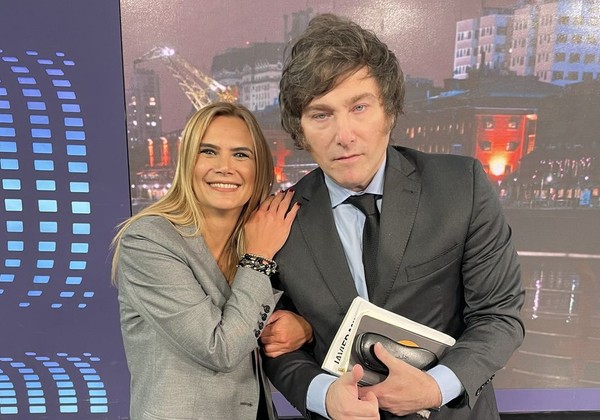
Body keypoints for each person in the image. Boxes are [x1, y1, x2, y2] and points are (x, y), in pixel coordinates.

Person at [263, 13, 525, 420]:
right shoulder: (278, 218)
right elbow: (276, 343)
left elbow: (499, 315)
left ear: (389, 110)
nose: (344, 135)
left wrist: (436, 387)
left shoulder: (462, 186)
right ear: (300, 130)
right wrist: (323, 395)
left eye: (359, 107)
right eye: (321, 114)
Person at [110, 102, 311, 420]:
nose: (225, 167)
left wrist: (305, 328)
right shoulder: (148, 241)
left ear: (259, 167)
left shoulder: (262, 237)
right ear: (188, 162)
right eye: (208, 152)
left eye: (241, 154)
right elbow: (220, 349)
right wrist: (258, 257)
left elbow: (281, 319)